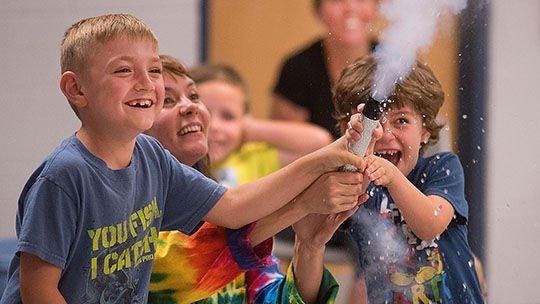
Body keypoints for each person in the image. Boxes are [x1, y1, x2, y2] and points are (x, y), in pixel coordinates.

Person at [0, 14, 369, 304]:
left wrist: (324, 164)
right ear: (76, 89)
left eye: (154, 70)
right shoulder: (66, 176)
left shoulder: (151, 159)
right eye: (124, 70)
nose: (146, 83)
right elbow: (38, 291)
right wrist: (307, 195)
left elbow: (235, 209)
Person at [146, 55, 370, 303]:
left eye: (194, 96)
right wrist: (303, 203)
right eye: (167, 100)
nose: (192, 107)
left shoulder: (223, 197)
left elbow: (275, 298)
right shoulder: (133, 214)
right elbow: (189, 262)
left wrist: (309, 247)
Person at [335, 55, 485, 303]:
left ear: (425, 131)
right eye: (373, 123)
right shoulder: (355, 185)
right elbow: (325, 221)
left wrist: (392, 177)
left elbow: (430, 224)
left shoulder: (442, 167)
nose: (384, 134)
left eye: (401, 121)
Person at [189, 63, 333, 187]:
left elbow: (319, 142)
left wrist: (250, 129)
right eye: (203, 113)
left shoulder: (253, 157)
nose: (214, 126)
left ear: (245, 119)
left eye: (228, 116)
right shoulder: (177, 161)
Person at [272, 0, 378, 139]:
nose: (350, 7)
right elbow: (285, 144)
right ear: (318, 11)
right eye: (337, 1)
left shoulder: (395, 63)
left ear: (376, 7)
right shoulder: (298, 68)